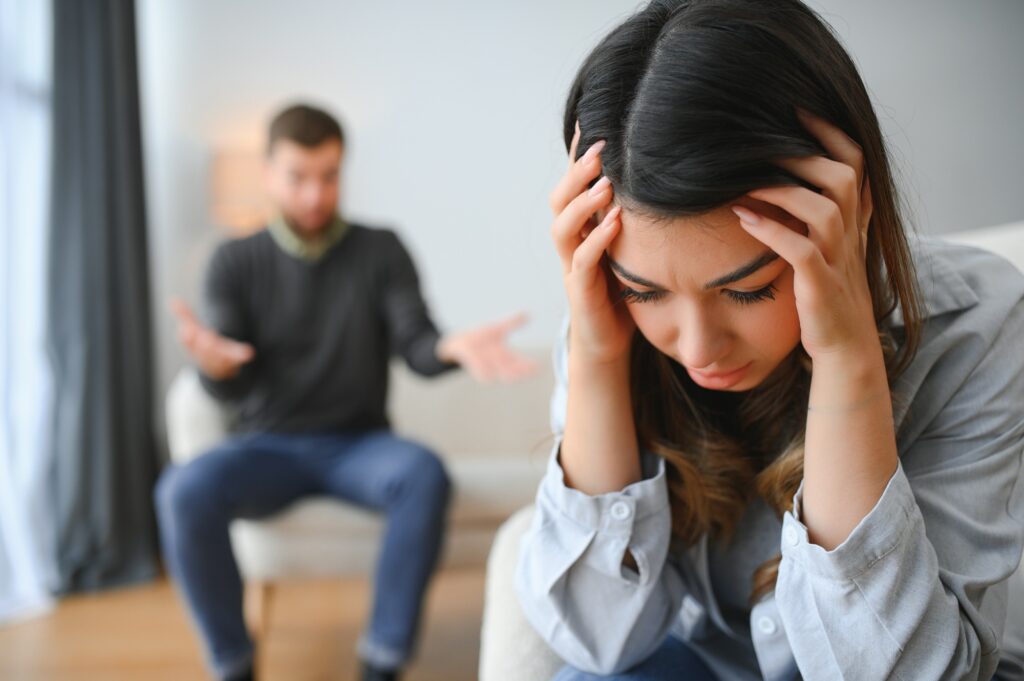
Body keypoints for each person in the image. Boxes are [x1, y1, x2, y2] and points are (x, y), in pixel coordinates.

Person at [514, 1, 1024, 679]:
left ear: (848, 207)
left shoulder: (979, 323)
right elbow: (597, 641)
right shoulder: (608, 318)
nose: (698, 349)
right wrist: (599, 355)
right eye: (646, 291)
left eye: (748, 290)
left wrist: (846, 359)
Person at [156, 103, 535, 681]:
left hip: (360, 446)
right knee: (182, 490)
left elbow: (416, 344)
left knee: (423, 473)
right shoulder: (233, 261)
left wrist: (449, 348)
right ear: (268, 174)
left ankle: (381, 661)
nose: (315, 194)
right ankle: (232, 664)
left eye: (329, 176)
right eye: (298, 177)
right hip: (266, 447)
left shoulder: (381, 250)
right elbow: (231, 374)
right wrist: (215, 368)